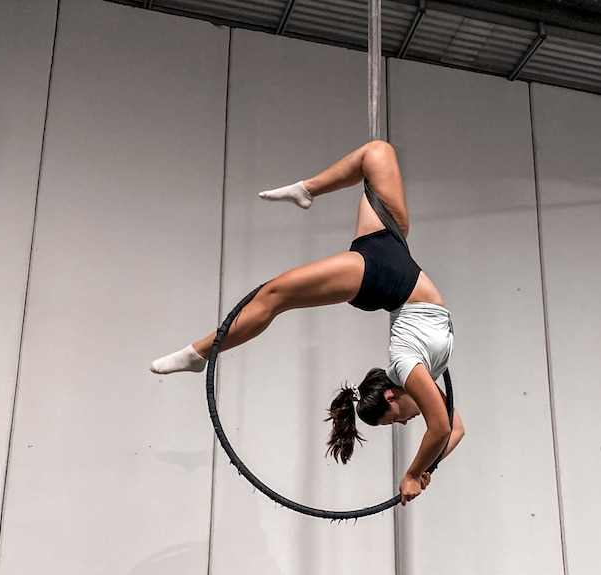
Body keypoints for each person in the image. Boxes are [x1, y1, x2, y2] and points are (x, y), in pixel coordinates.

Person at [150, 140, 464, 505]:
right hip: (391, 258)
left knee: (275, 294)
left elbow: (442, 428)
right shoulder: (411, 370)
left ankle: (199, 353)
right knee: (377, 152)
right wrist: (418, 471)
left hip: (384, 278)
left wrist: (418, 472)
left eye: (395, 422)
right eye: (397, 422)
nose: (407, 423)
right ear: (392, 397)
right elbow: (448, 427)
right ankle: (307, 190)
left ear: (391, 395)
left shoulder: (407, 367)